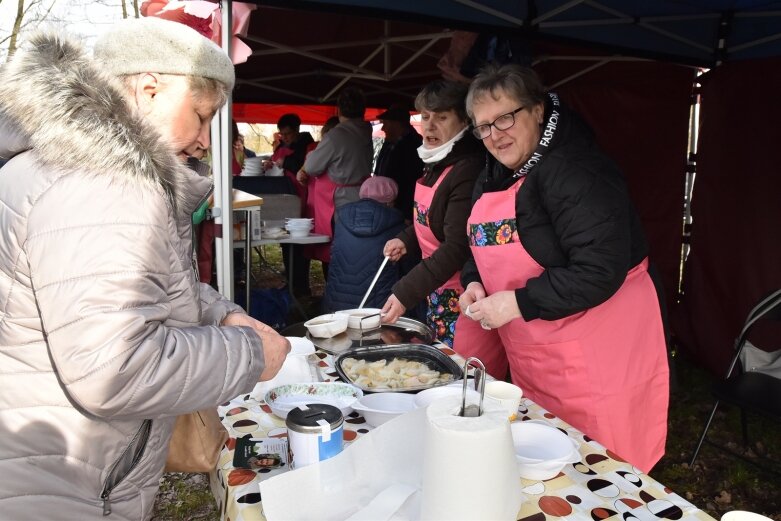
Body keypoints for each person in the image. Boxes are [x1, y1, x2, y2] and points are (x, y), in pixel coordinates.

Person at [0, 17, 291, 519]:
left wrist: (218, 312)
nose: (205, 140)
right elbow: (115, 368)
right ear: (149, 90)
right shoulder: (102, 185)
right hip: (66, 485)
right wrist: (247, 354)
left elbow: (142, 284)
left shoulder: (69, 166)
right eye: (200, 115)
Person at [459, 63, 669, 472]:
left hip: (598, 348)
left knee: (602, 464)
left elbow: (597, 269)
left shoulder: (577, 168)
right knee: (547, 456)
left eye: (504, 118)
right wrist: (473, 282)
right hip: (536, 348)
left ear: (538, 110)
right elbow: (477, 247)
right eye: (483, 127)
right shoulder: (493, 174)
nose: (494, 135)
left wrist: (518, 302)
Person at [380, 81, 485, 347]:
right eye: (425, 117)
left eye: (441, 117)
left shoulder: (467, 169)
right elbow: (433, 219)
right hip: (435, 285)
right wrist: (406, 238)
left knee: (461, 370)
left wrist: (405, 292)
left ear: (464, 122)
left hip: (464, 294)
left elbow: (457, 246)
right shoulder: (436, 162)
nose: (429, 126)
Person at [324, 176, 405, 312]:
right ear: (391, 200)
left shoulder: (341, 221)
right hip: (378, 312)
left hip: (334, 309)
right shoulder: (398, 227)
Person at [268, 113, 315, 297]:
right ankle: (291, 282)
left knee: (299, 244)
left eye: (287, 134)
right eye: (282, 134)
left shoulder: (306, 144)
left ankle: (301, 287)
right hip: (284, 200)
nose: (285, 137)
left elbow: (303, 166)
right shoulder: (283, 146)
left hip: (301, 199)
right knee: (286, 243)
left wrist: (285, 162)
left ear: (296, 130)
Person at [374, 104, 424, 223]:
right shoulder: (390, 143)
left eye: (385, 124)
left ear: (396, 124)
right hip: (388, 207)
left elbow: (411, 182)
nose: (383, 128)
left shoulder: (412, 146)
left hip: (401, 209)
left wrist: (407, 213)